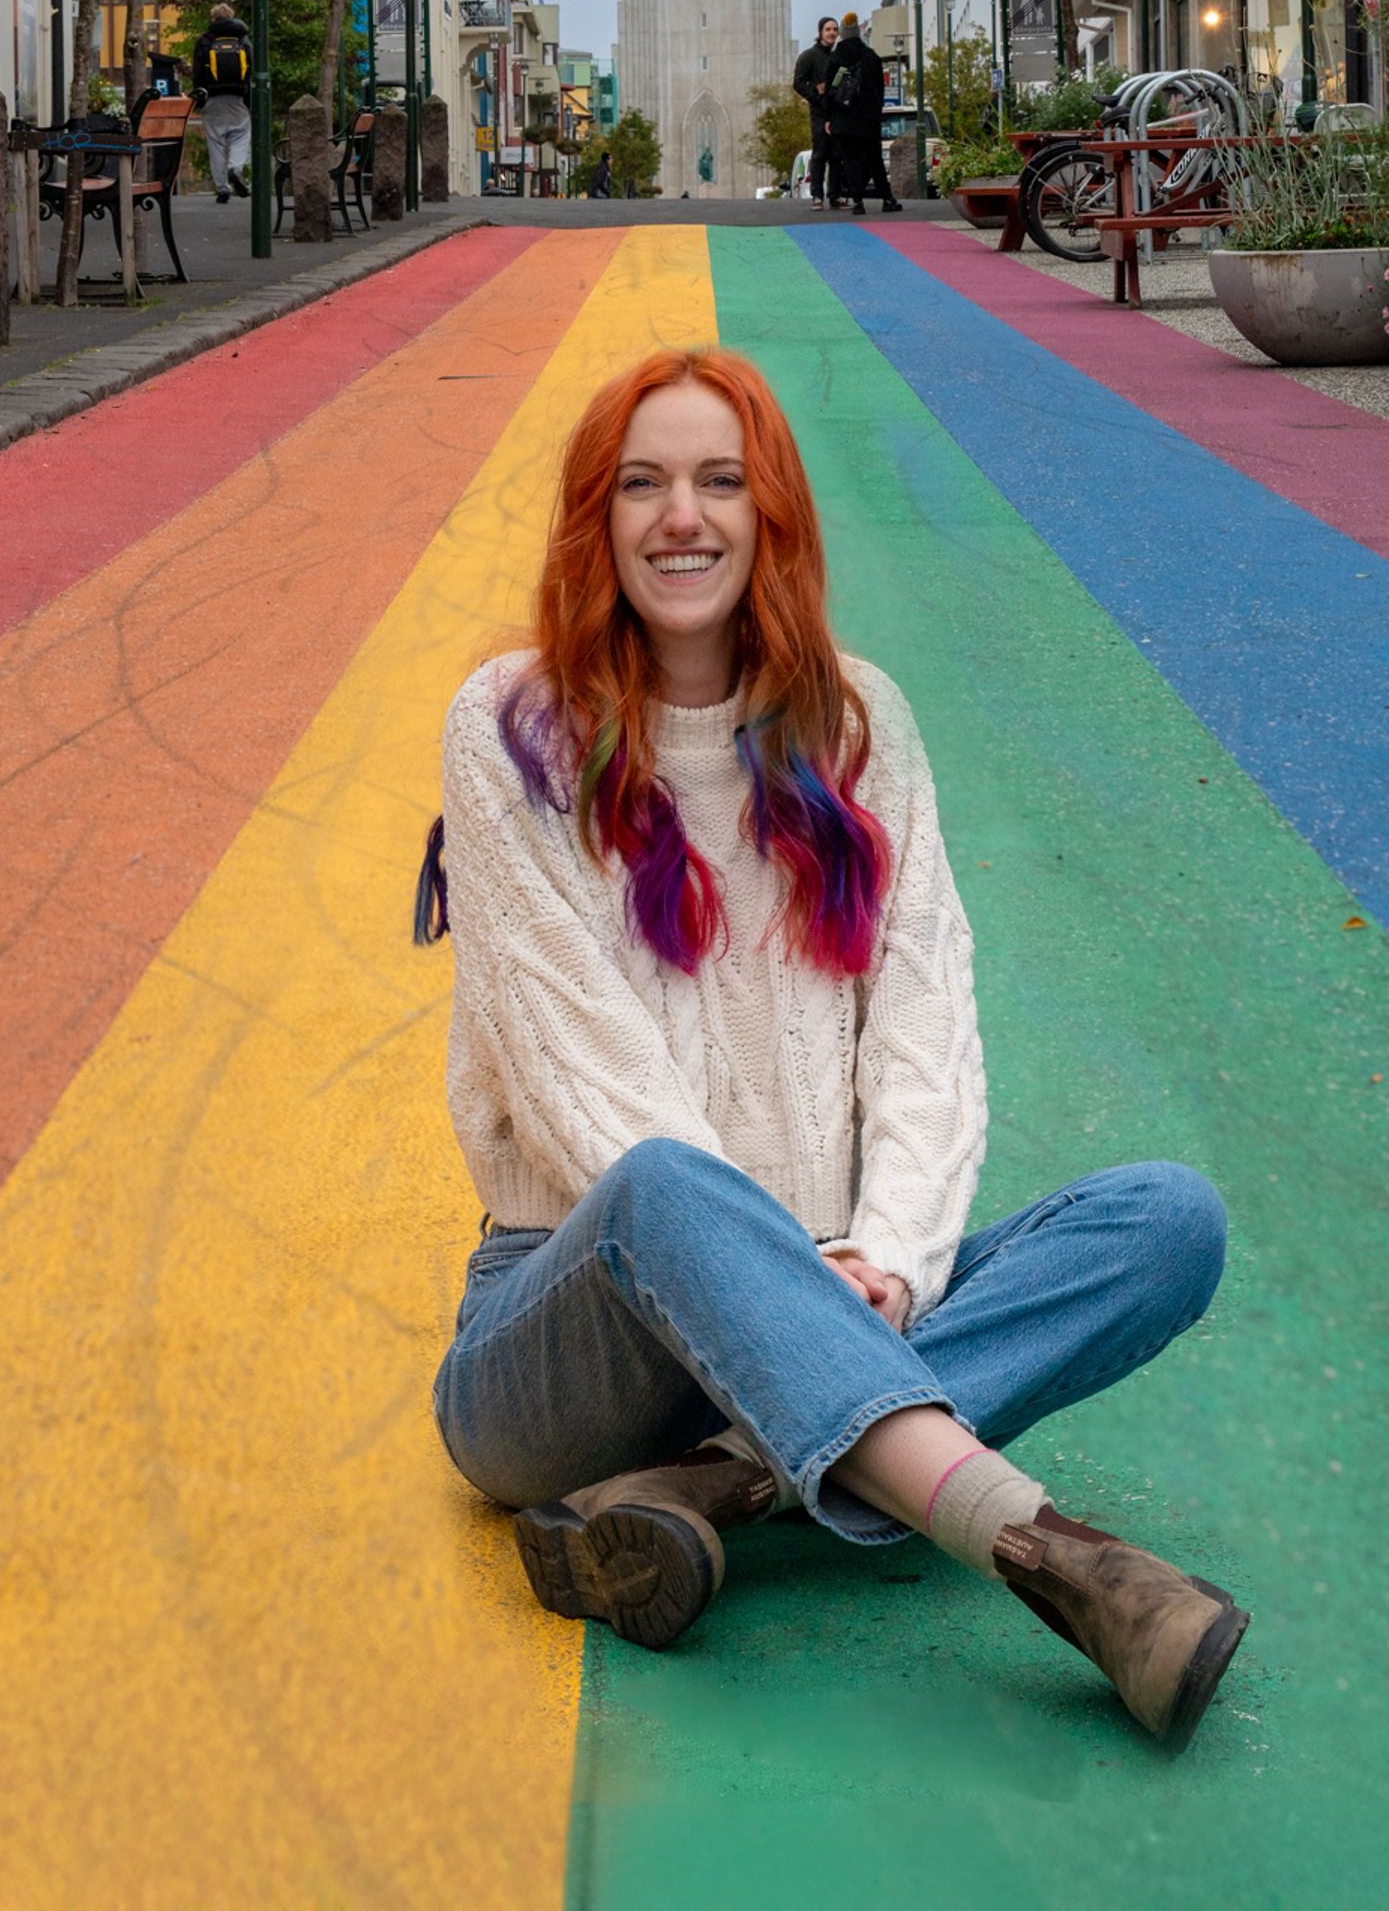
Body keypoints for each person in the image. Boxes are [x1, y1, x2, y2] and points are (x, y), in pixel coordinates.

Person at [414, 347, 1248, 1751]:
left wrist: (898, 1254)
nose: (683, 517)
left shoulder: (858, 727)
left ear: (774, 515)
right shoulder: (513, 730)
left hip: (839, 1279)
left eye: (720, 482)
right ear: (596, 521)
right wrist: (789, 1270)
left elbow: (926, 1021)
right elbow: (581, 1074)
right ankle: (1044, 1554)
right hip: (567, 1328)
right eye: (642, 486)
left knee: (1167, 1221)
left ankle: (707, 1486)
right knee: (671, 1182)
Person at [826, 13, 899, 215]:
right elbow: (879, 90)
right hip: (868, 120)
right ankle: (887, 199)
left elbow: (830, 92)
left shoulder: (835, 58)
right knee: (874, 159)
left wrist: (829, 118)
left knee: (850, 161)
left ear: (841, 32)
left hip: (843, 119)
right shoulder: (871, 57)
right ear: (858, 32)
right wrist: (876, 112)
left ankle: (857, 201)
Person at [189, 2, 253, 204]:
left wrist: (200, 97)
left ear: (213, 18)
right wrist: (248, 98)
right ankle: (235, 168)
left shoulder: (205, 40)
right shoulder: (243, 40)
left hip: (213, 98)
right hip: (237, 97)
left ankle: (222, 188)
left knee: (215, 142)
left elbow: (197, 71)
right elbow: (251, 69)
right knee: (241, 135)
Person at [791, 17, 839, 207]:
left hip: (836, 112)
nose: (832, 33)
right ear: (820, 32)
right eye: (828, 29)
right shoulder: (809, 56)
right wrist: (815, 93)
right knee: (820, 154)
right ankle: (817, 196)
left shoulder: (837, 56)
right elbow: (798, 83)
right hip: (819, 111)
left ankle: (835, 196)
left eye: (835, 29)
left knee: (837, 155)